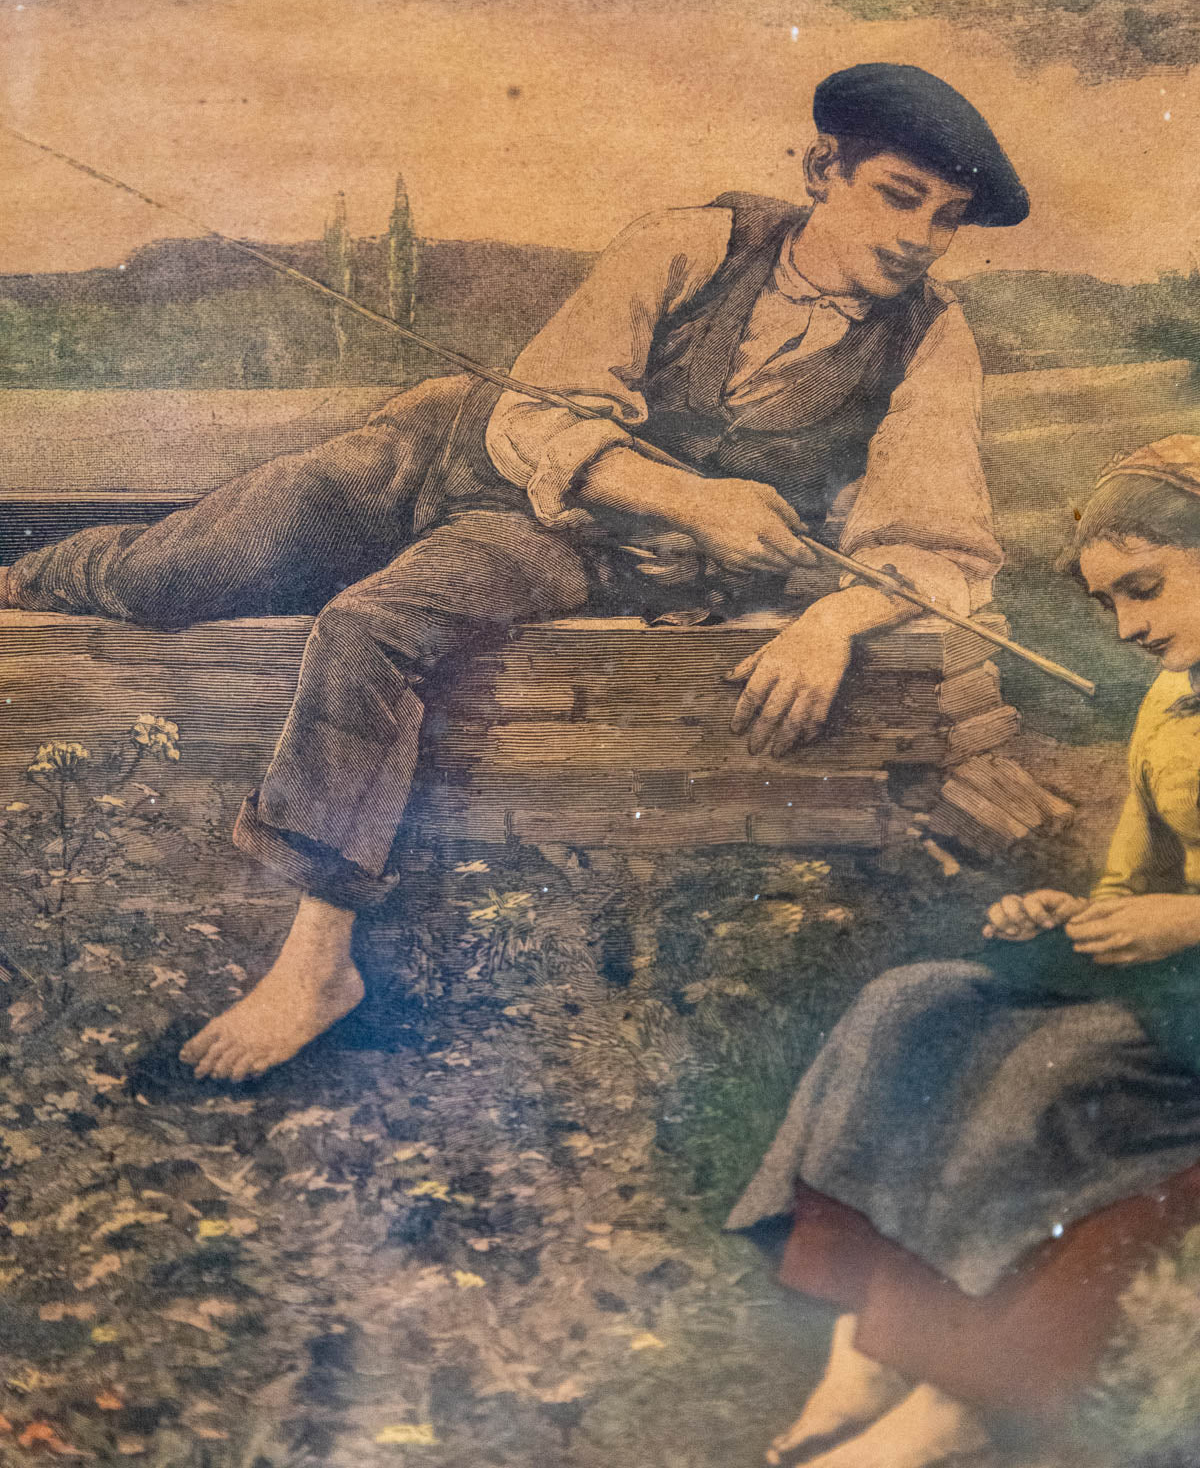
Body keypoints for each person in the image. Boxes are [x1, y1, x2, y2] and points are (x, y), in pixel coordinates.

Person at [0, 62, 1022, 1082]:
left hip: (562, 534)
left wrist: (832, 623)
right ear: (822, 169)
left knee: (370, 623)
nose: (919, 238)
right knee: (177, 574)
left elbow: (936, 545)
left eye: (947, 218)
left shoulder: (930, 338)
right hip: (439, 449)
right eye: (899, 197)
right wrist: (696, 499)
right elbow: (533, 413)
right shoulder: (688, 244)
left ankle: (316, 967)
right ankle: (26, 577)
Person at [725, 434, 1200, 1468]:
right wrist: (1070, 911)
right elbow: (1131, 881)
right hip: (1175, 987)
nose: (1129, 627)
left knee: (1038, 1076)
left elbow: (1173, 914)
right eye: (1110, 604)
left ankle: (960, 1399)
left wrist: (1185, 922)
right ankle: (862, 1350)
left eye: (1146, 587)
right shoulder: (1171, 701)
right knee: (909, 1006)